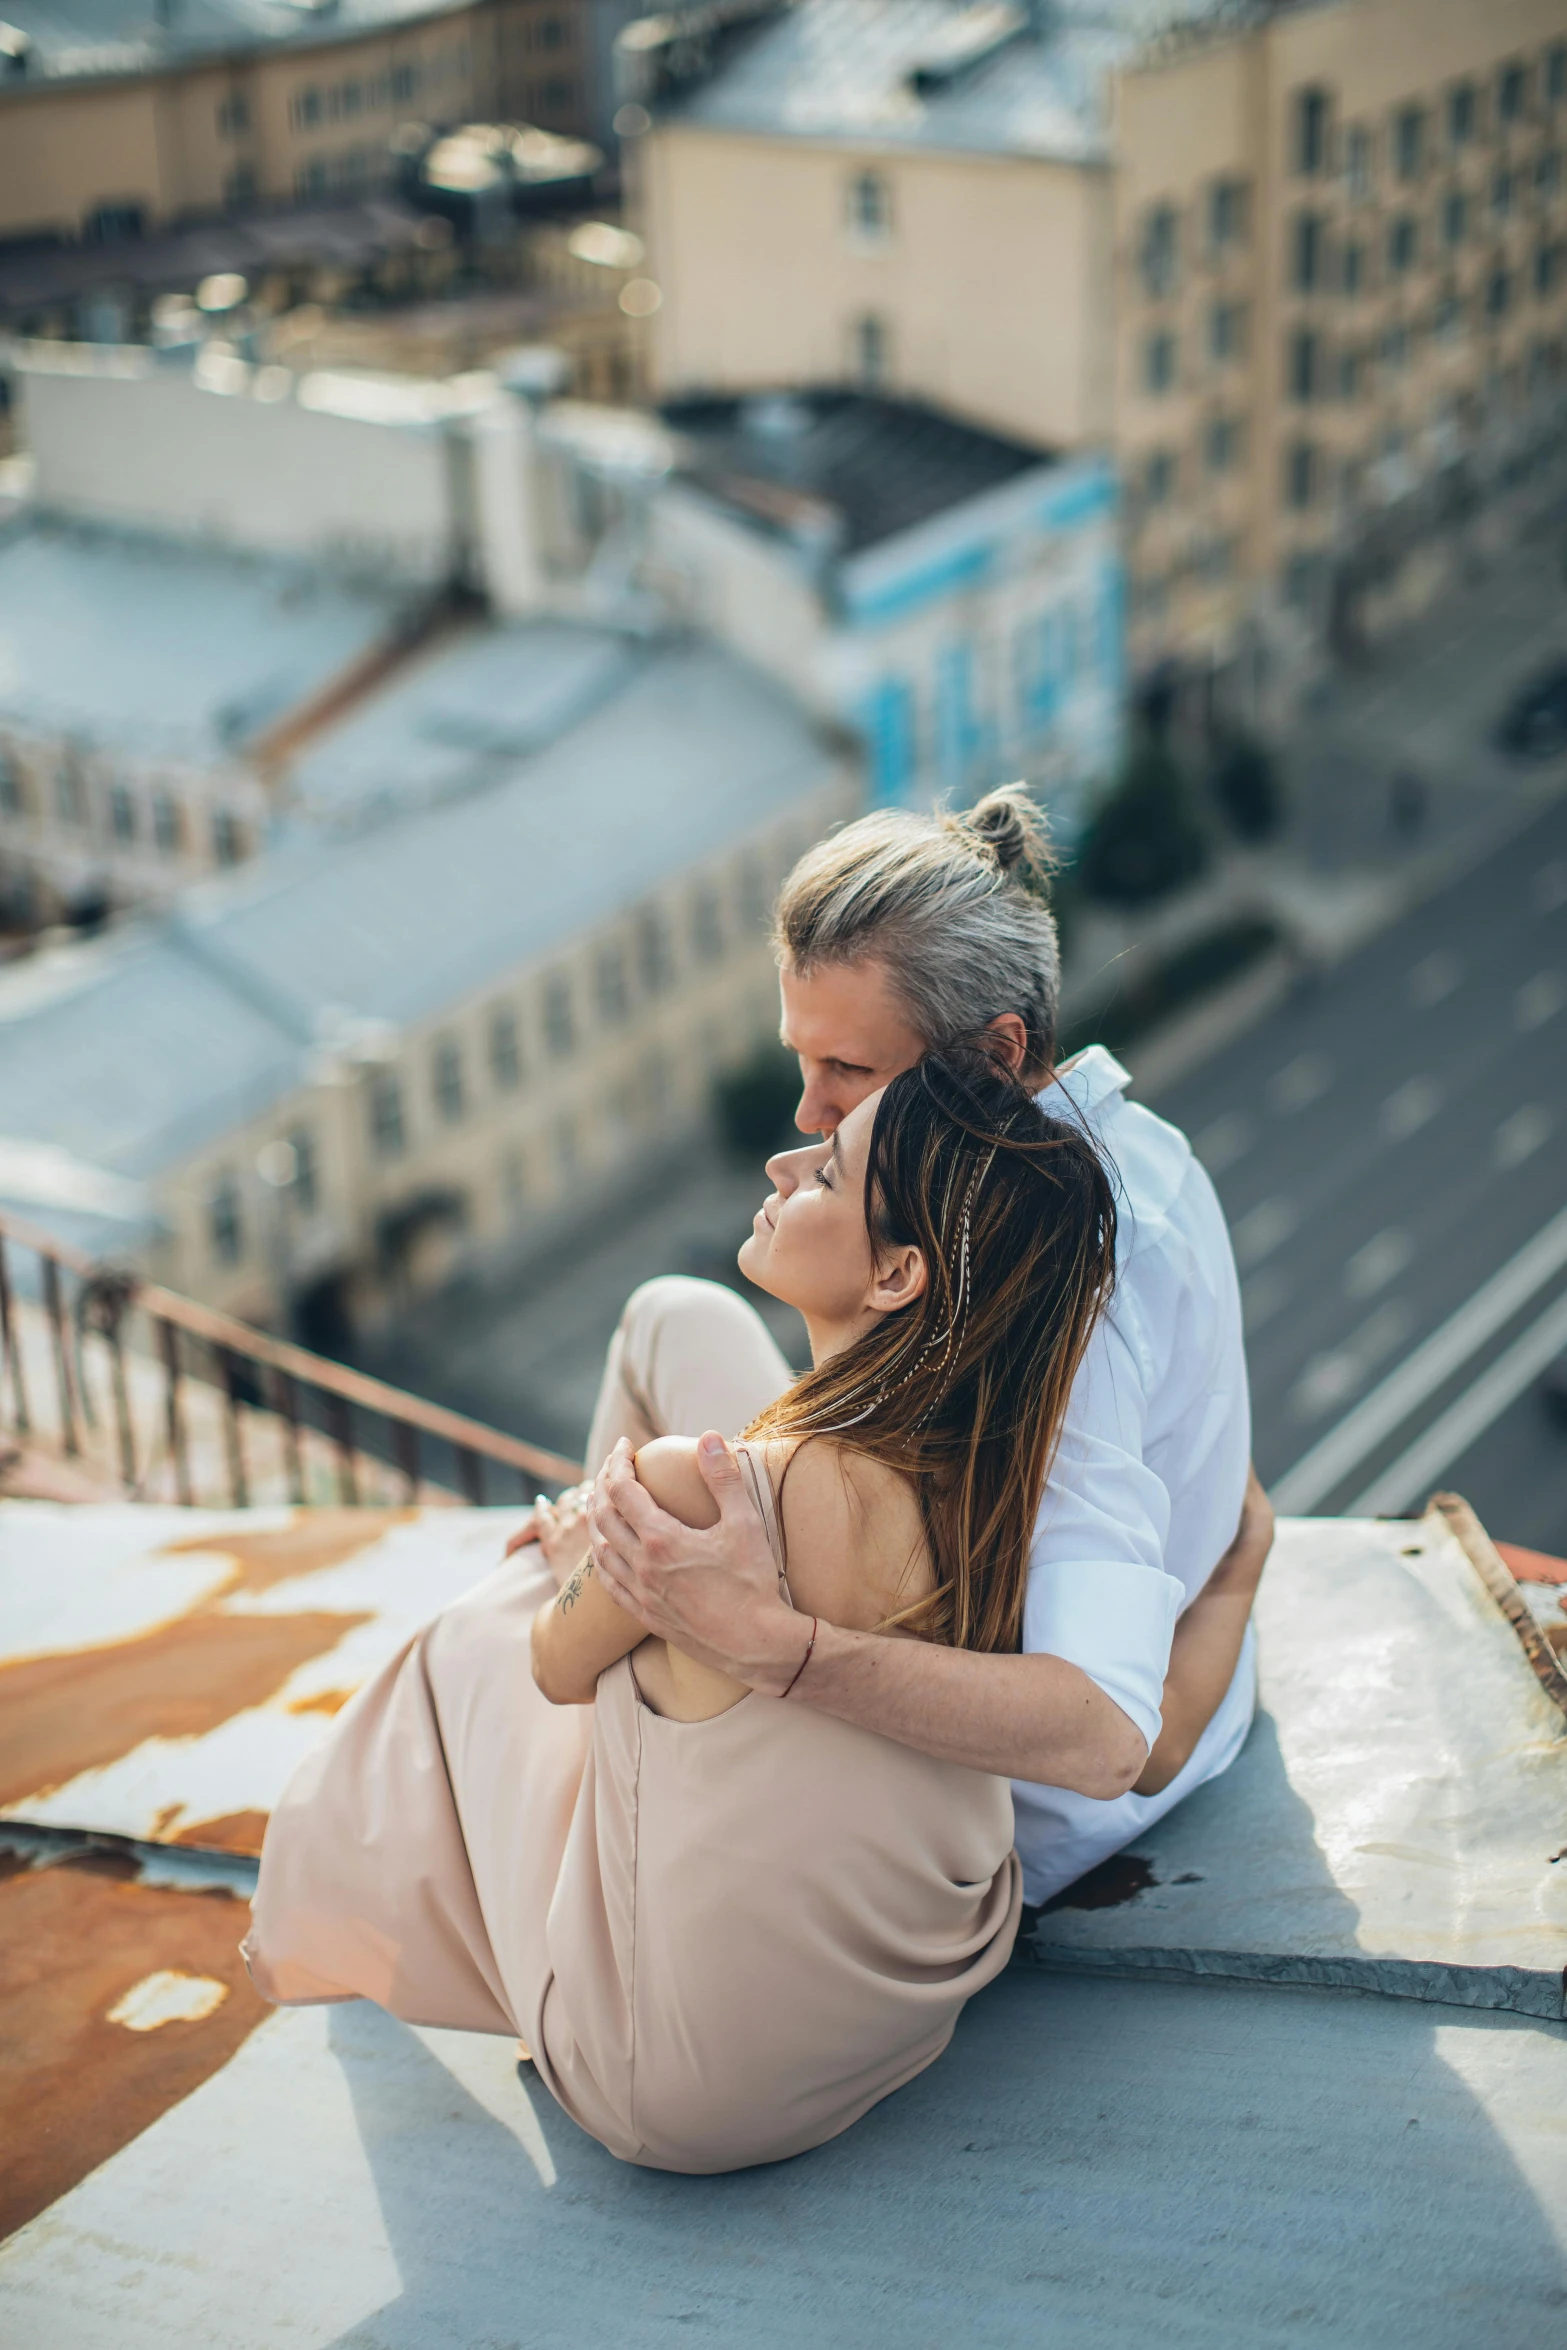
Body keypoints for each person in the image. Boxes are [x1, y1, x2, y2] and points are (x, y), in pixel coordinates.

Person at [245, 1047, 1187, 2170]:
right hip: (912, 1995)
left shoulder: (706, 1486)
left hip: (678, 2087)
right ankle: (645, 1637)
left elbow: (553, 1668)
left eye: (828, 1173)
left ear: (894, 1278)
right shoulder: (1004, 1475)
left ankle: (303, 1933)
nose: (786, 1162)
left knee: (472, 1638)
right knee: (672, 1316)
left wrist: (589, 1545)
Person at [581, 785, 1269, 1913]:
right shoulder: (1138, 1147)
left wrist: (771, 1642)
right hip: (1176, 1707)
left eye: (847, 1071)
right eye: (801, 1060)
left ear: (995, 1051)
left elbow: (1105, 1732)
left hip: (995, 1821)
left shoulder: (1057, 1282)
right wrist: (1232, 1582)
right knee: (671, 1333)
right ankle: (581, 1556)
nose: (808, 1114)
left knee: (589, 1639)